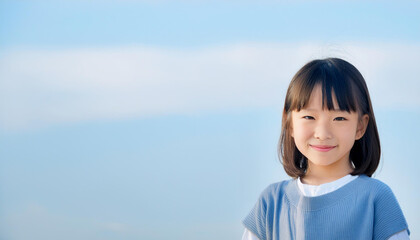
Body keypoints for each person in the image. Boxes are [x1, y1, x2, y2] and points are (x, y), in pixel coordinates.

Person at [242, 58, 410, 240]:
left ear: (360, 126)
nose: (322, 134)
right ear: (289, 123)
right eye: (308, 117)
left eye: (339, 119)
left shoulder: (377, 199)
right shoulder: (271, 202)